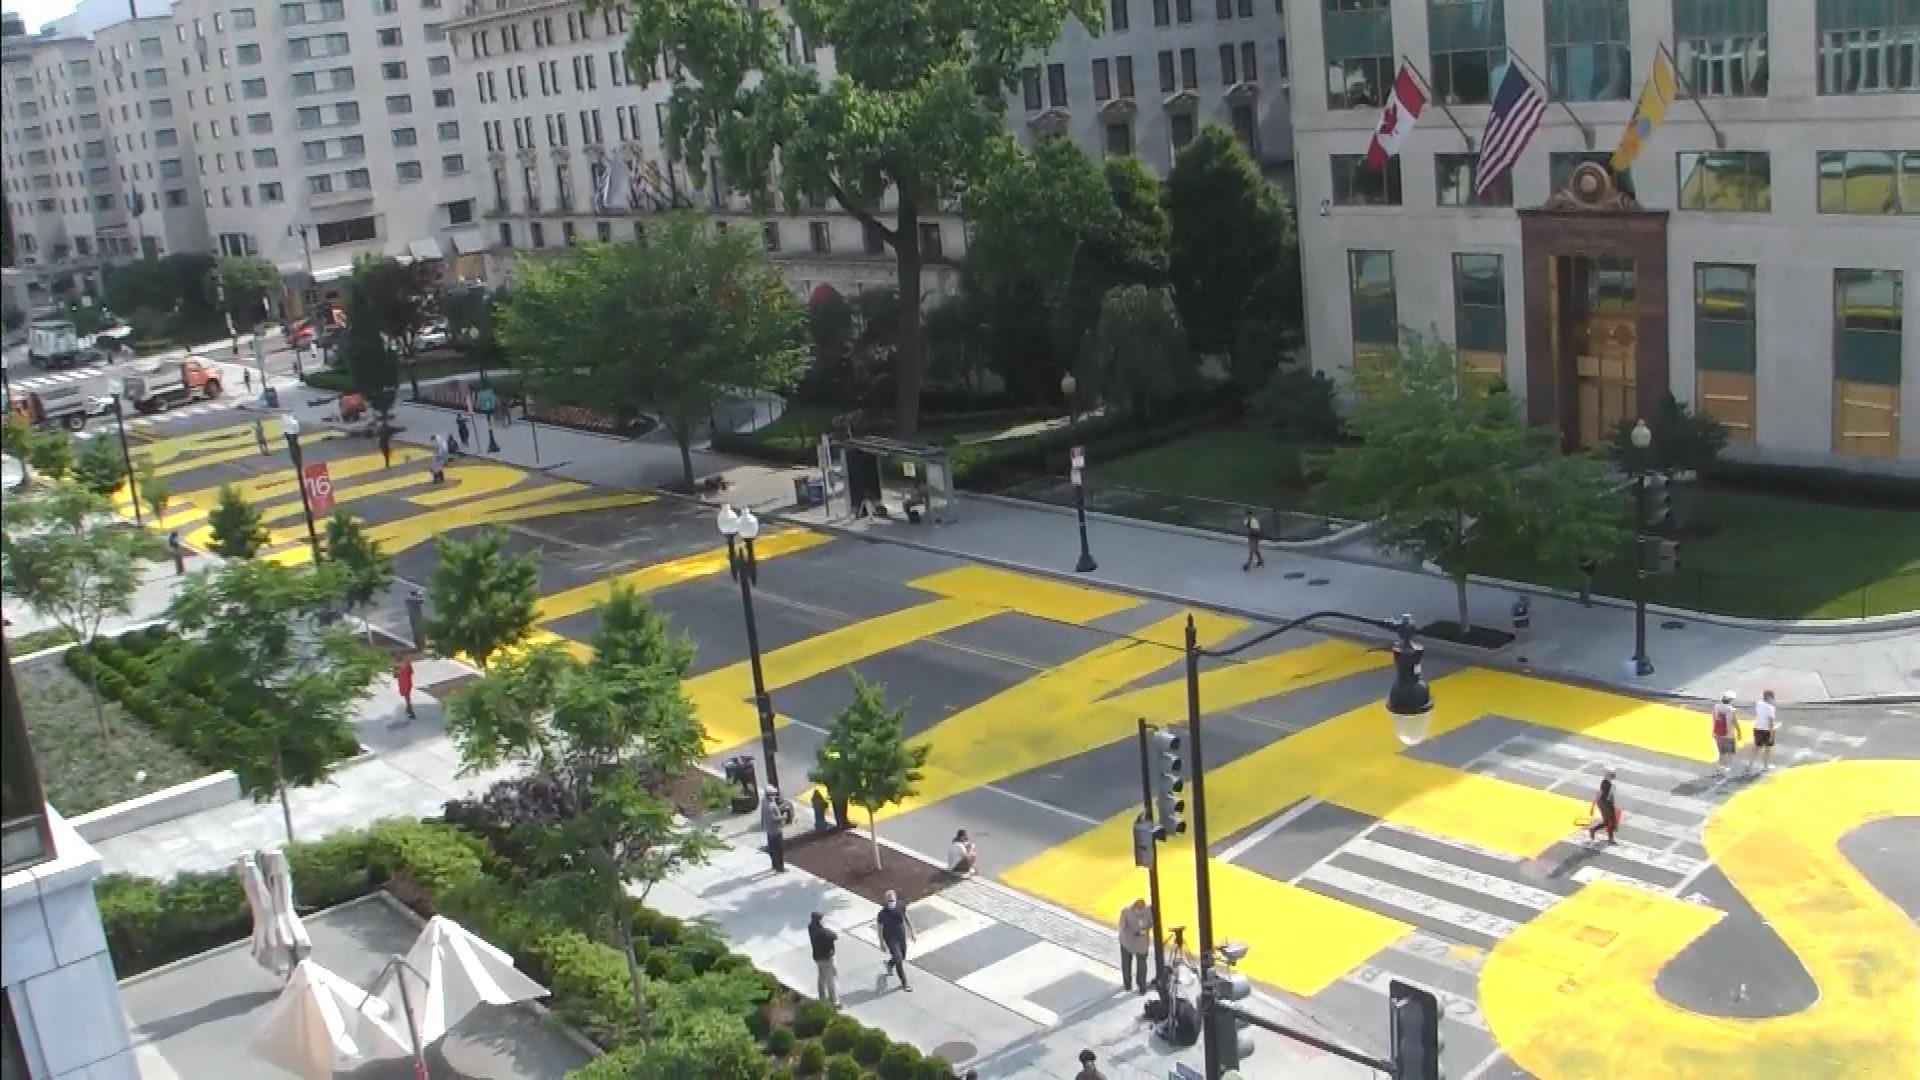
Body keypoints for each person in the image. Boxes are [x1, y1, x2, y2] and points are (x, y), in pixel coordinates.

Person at [875, 890, 915, 992]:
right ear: (885, 901)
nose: (890, 902)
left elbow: (906, 917)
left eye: (892, 900)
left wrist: (912, 931)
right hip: (890, 938)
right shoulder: (882, 914)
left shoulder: (901, 906)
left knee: (902, 956)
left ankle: (890, 964)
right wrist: (881, 942)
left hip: (901, 936)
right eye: (888, 901)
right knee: (898, 958)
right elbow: (880, 928)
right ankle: (904, 983)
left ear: (896, 899)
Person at [1118, 898, 1152, 994]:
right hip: (1135, 943)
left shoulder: (1126, 912)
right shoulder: (1148, 911)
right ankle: (1140, 986)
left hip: (1130, 942)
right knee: (1140, 965)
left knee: (1128, 964)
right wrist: (1142, 931)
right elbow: (1151, 923)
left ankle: (1130, 985)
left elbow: (1121, 927)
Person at [807, 912, 838, 1005]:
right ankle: (834, 1001)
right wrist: (825, 927)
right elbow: (835, 936)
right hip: (827, 958)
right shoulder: (824, 932)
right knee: (831, 979)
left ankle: (822, 997)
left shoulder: (811, 928)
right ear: (819, 921)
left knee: (821, 977)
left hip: (817, 957)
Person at [1710, 691, 1742, 778]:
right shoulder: (1731, 710)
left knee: (1721, 752)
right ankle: (1725, 768)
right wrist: (1739, 732)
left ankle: (1719, 768)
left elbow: (1714, 719)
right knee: (1730, 752)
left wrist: (1714, 731)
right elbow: (1735, 722)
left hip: (1718, 733)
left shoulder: (1716, 707)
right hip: (1729, 734)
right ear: (1731, 700)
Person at [1750, 689, 1779, 772]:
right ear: (1769, 698)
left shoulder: (1759, 704)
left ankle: (1750, 765)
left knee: (1756, 748)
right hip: (1766, 730)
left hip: (1757, 728)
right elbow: (1771, 722)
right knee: (1767, 749)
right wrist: (1772, 734)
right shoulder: (1771, 708)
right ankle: (1765, 766)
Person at [1587, 768, 1619, 844]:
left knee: (1607, 821)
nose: (1614, 775)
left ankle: (1593, 830)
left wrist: (1594, 804)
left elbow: (1599, 793)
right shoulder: (1610, 785)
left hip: (1601, 803)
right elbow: (1609, 797)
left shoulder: (1603, 782)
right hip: (1606, 804)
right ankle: (1610, 839)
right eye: (1612, 774)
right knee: (1611, 821)